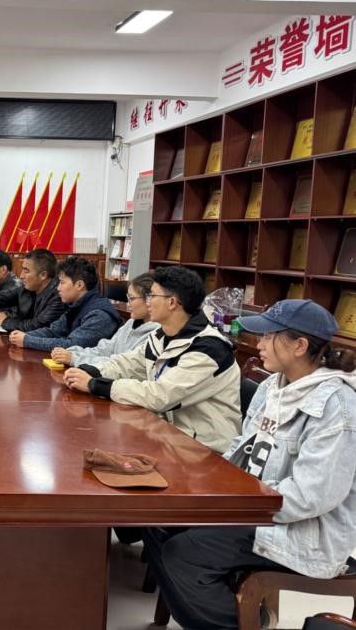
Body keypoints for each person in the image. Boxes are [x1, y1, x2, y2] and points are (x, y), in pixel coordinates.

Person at [142, 299, 356, 630]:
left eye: (269, 336)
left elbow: (311, 496)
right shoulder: (272, 387)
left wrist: (238, 506)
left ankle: (241, 622)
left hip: (301, 529)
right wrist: (212, 490)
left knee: (185, 553)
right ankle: (248, 619)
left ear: (299, 346)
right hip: (253, 507)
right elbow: (242, 448)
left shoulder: (337, 407)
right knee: (157, 520)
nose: (259, 344)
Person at [63, 265, 240, 453]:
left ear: (172, 302)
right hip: (168, 435)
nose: (148, 302)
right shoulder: (162, 336)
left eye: (152, 296)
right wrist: (89, 371)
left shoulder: (208, 348)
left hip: (204, 450)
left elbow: (160, 396)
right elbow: (127, 364)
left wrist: (95, 385)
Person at [9, 256, 120, 351]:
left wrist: (27, 340)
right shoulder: (77, 305)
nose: (58, 288)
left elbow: (72, 345)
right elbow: (54, 331)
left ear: (79, 285)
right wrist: (23, 335)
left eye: (62, 283)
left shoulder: (99, 315)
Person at [51, 273, 159, 368]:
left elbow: (119, 366)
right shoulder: (131, 323)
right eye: (128, 297)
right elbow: (104, 349)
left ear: (149, 300)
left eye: (132, 298)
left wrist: (75, 359)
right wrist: (72, 352)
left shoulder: (156, 336)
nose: (128, 303)